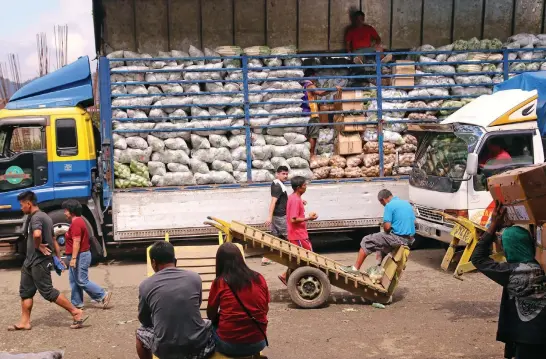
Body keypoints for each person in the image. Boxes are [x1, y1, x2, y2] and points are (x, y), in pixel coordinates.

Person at [471, 203, 546, 359]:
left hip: (528, 342)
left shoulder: (517, 271)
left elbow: (478, 259)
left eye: (505, 245)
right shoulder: (538, 267)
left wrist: (493, 226)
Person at [8, 191, 87, 331]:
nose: (21, 208)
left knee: (48, 291)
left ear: (28, 203)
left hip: (39, 261)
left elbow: (37, 234)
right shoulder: (45, 216)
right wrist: (57, 256)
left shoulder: (36, 218)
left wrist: (38, 245)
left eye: (21, 205)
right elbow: (54, 239)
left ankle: (76, 312)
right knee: (25, 291)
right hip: (30, 261)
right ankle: (25, 322)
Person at [136, 241, 215, 359]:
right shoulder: (194, 278)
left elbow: (144, 319)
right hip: (198, 347)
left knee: (140, 333)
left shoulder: (145, 285)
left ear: (153, 263)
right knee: (210, 323)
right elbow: (196, 306)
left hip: (166, 352)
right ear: (175, 260)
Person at [207, 242, 269, 357]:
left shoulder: (220, 282)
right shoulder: (259, 278)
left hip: (229, 345)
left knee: (207, 328)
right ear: (240, 258)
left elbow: (210, 314)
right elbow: (265, 309)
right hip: (259, 342)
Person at [340, 189, 415, 276]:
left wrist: (384, 225)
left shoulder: (389, 206)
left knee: (366, 240)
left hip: (398, 238)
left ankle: (355, 268)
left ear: (383, 200)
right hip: (409, 239)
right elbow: (409, 222)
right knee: (380, 243)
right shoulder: (406, 204)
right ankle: (377, 268)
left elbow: (387, 228)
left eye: (381, 203)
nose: (382, 205)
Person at [62, 199, 112, 309]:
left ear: (71, 211)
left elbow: (76, 242)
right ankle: (77, 304)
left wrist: (74, 258)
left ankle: (102, 295)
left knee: (81, 280)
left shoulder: (76, 223)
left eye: (65, 210)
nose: (64, 213)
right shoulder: (77, 221)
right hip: (78, 255)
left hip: (80, 256)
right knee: (74, 280)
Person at [278, 176, 318, 285]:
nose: (306, 187)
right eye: (304, 185)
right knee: (310, 257)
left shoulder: (293, 197)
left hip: (296, 234)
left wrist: (301, 202)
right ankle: (287, 276)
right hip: (298, 235)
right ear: (299, 188)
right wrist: (309, 218)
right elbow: (293, 219)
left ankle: (284, 276)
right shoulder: (295, 199)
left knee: (299, 258)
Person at [262, 166, 290, 266]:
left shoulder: (279, 184)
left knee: (275, 238)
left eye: (286, 174)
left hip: (277, 216)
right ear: (277, 174)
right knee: (289, 236)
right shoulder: (277, 186)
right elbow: (273, 202)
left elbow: (283, 199)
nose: (285, 176)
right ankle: (296, 257)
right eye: (283, 174)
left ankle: (266, 258)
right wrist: (269, 217)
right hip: (280, 217)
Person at [302, 69, 331, 159]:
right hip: (312, 113)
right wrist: (331, 89)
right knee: (313, 135)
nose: (316, 78)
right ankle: (311, 154)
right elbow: (320, 93)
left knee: (306, 135)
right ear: (312, 76)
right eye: (314, 76)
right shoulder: (310, 85)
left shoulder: (302, 85)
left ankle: (306, 154)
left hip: (304, 112)